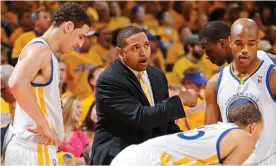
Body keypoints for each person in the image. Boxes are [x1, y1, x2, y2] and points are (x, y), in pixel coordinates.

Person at [90, 26, 203, 165]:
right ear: (120, 53)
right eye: (135, 48)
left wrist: (189, 140)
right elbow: (140, 118)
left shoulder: (157, 75)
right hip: (117, 156)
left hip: (149, 156)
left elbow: (165, 123)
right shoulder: (109, 80)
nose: (143, 53)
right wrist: (180, 99)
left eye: (146, 45)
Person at [6, 3, 91, 165]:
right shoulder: (40, 49)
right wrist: (43, 125)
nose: (80, 44)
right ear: (68, 26)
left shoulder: (46, 52)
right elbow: (16, 82)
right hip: (34, 149)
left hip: (37, 149)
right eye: (81, 36)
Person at [204, 18, 276, 164]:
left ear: (257, 42)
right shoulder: (215, 84)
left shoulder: (272, 76)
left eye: (251, 44)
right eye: (239, 43)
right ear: (229, 41)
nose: (245, 50)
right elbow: (210, 139)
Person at [111, 103, 263, 165]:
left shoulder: (215, 130)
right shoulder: (245, 138)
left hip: (131, 154)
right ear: (253, 127)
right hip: (153, 161)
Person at [198, 20, 276, 66]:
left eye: (209, 51)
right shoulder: (224, 75)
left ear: (222, 44)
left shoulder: (264, 60)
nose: (207, 56)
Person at [59, 96, 88, 165]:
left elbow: (87, 159)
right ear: (68, 107)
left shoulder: (81, 135)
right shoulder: (54, 130)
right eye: (77, 107)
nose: (81, 111)